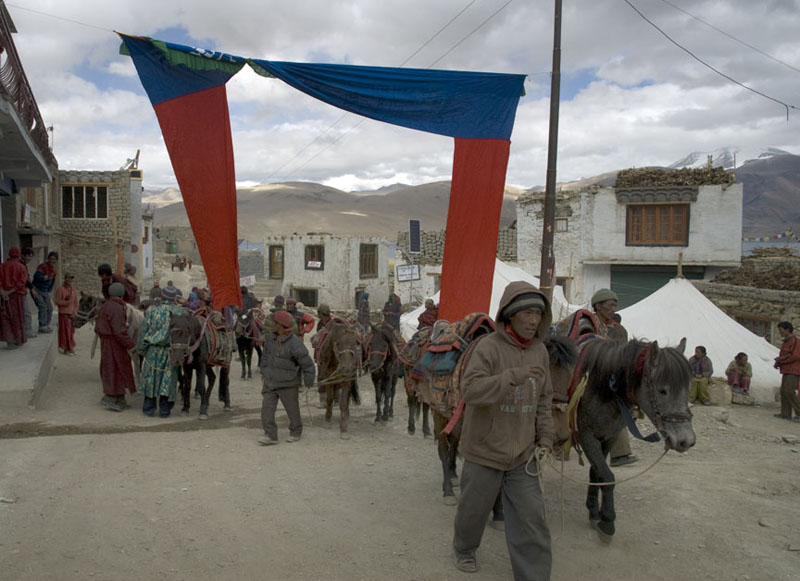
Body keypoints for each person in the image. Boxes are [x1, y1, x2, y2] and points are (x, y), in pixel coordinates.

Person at [452, 281, 554, 578]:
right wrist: (512, 376)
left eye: (538, 314)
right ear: (510, 315)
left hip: (523, 454)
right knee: (473, 511)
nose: (534, 321)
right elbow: (470, 391)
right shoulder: (488, 348)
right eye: (528, 313)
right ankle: (464, 549)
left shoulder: (541, 352)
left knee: (532, 520)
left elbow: (544, 400)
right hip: (484, 449)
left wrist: (546, 437)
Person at [258, 310, 315, 445]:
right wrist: (264, 371)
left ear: (281, 325)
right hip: (270, 382)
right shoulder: (270, 339)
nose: (271, 324)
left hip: (288, 382)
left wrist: (308, 382)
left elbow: (307, 363)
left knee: (292, 410)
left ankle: (296, 432)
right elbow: (265, 357)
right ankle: (270, 435)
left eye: (275, 322)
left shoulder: (295, 343)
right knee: (266, 410)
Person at [137, 284, 185, 417]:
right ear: (174, 298)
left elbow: (143, 331)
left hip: (152, 350)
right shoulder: (180, 312)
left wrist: (142, 349)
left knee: (150, 379)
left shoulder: (151, 311)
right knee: (168, 380)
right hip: (171, 352)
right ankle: (165, 409)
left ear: (162, 297)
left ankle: (149, 408)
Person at [95, 282, 136, 412]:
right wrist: (130, 344)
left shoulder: (106, 305)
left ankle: (119, 397)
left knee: (115, 368)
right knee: (115, 369)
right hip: (114, 343)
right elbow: (119, 330)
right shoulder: (117, 308)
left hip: (108, 342)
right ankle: (110, 398)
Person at [0, 247, 29, 349]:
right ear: (18, 255)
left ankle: (10, 342)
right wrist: (10, 291)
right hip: (17, 296)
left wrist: (3, 292)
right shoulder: (21, 267)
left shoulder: (2, 266)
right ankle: (19, 340)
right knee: (19, 318)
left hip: (5, 297)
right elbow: (21, 282)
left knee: (6, 318)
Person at [774, 321, 800, 422]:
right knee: (784, 391)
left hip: (793, 369)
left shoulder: (795, 341)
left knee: (789, 391)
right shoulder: (786, 341)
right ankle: (785, 413)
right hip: (787, 369)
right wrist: (778, 362)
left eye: (781, 330)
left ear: (787, 330)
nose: (780, 332)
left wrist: (781, 360)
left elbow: (795, 356)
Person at [32, 251, 58, 333]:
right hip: (36, 290)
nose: (52, 260)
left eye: (54, 259)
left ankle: (46, 325)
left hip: (45, 291)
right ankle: (42, 326)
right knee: (42, 306)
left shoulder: (54, 270)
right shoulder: (42, 267)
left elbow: (52, 283)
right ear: (48, 259)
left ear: (56, 260)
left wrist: (49, 292)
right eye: (50, 258)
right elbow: (36, 276)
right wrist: (45, 277)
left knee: (49, 308)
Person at [54, 272, 79, 355]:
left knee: (71, 332)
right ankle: (66, 349)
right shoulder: (60, 289)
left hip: (71, 314)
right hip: (64, 314)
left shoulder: (73, 290)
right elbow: (57, 301)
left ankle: (70, 347)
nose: (69, 280)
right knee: (65, 332)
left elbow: (75, 303)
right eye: (68, 278)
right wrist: (67, 303)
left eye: (71, 278)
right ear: (65, 278)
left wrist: (75, 312)